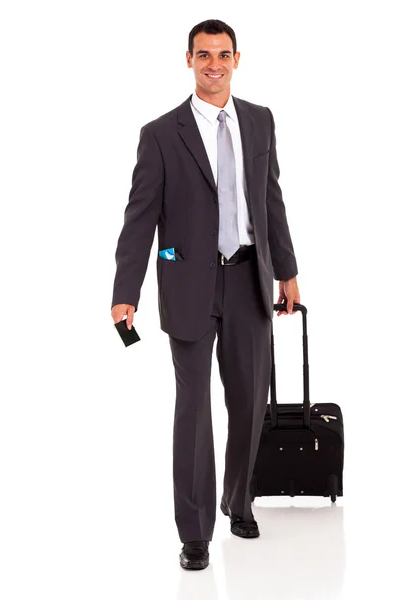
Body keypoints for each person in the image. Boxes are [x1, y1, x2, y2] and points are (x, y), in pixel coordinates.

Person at [111, 19, 300, 570]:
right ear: (188, 60)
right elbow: (140, 215)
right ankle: (194, 533)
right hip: (189, 284)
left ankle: (238, 501)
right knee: (192, 409)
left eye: (222, 54)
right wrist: (126, 292)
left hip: (249, 279)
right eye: (203, 55)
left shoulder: (260, 122)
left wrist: (286, 270)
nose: (213, 64)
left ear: (237, 59)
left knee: (246, 401)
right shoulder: (161, 134)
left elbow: (271, 199)